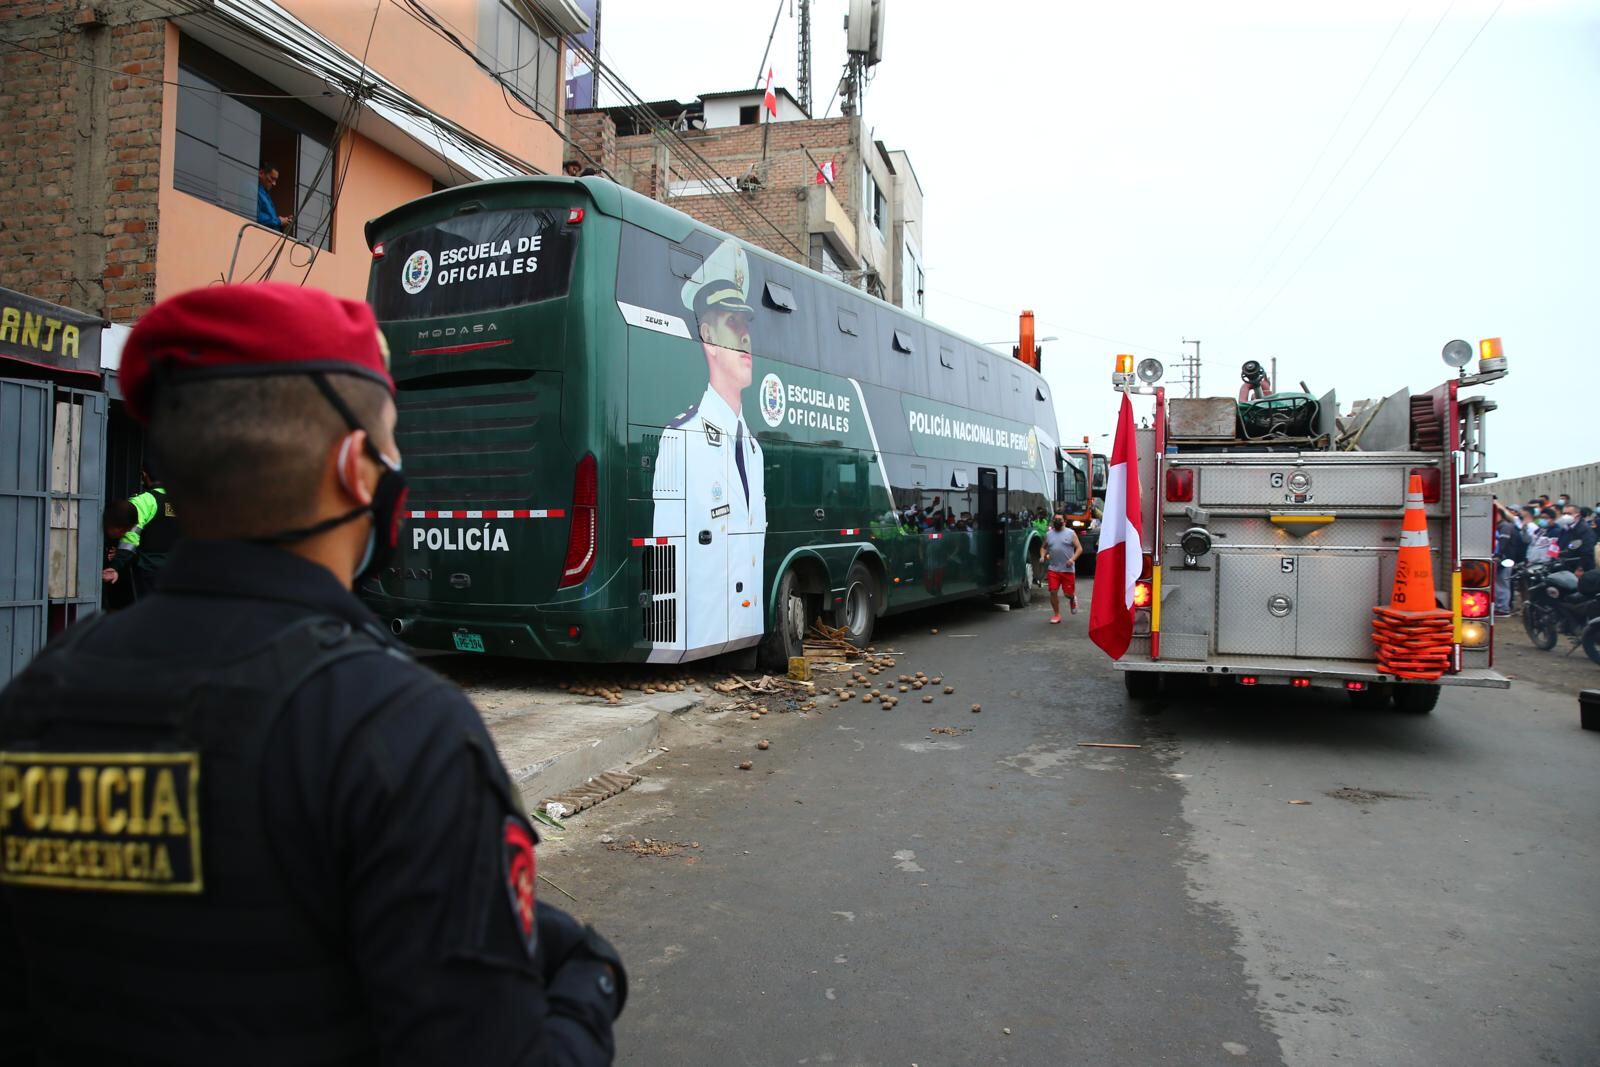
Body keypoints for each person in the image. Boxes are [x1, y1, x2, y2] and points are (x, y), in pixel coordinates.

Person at [0, 283, 625, 1062]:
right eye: (393, 445)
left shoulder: (38, 697)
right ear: (353, 467)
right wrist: (589, 982)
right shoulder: (402, 731)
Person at [651, 238, 766, 656]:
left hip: (738, 631)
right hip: (694, 632)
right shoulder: (681, 438)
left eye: (746, 324)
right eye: (732, 323)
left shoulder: (752, 449)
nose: (745, 335)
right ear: (707, 336)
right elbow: (665, 560)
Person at [102, 465, 178, 601]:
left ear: (144, 475)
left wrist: (117, 563)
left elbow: (131, 536)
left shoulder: (144, 501)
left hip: (148, 569)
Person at [1040, 512, 1082, 623]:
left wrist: (1072, 559)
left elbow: (1079, 549)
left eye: (1060, 520)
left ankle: (1073, 598)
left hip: (1067, 570)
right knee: (1053, 591)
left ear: (1065, 521)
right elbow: (1043, 547)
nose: (1057, 522)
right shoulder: (1049, 534)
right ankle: (1057, 615)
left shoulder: (1071, 533)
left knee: (1067, 594)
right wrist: (1042, 556)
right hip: (1053, 569)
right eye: (1056, 520)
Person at [256, 161, 293, 232]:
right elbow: (254, 219)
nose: (274, 183)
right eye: (272, 179)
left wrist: (284, 222)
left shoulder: (266, 195)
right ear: (261, 173)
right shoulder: (254, 190)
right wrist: (279, 221)